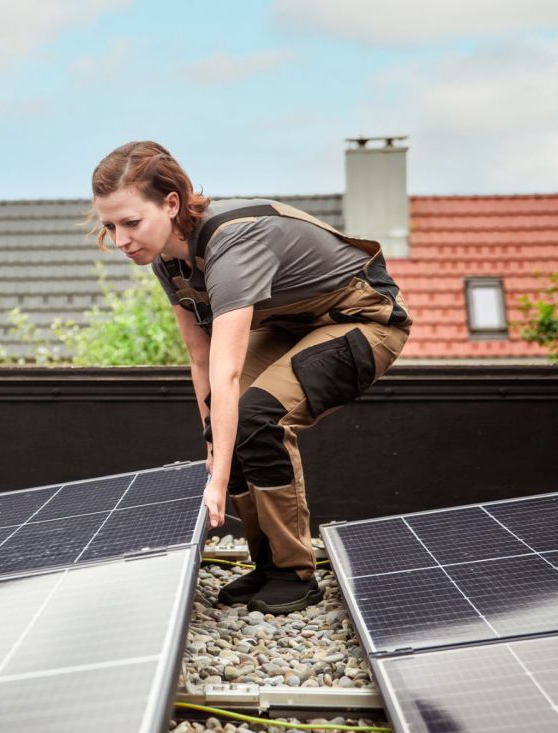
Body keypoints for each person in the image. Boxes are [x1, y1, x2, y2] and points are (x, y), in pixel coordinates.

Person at [91, 141, 412, 614]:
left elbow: (228, 369)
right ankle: (266, 566)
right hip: (291, 328)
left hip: (365, 321)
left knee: (257, 415)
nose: (121, 240)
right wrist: (212, 445)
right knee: (222, 424)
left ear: (171, 203)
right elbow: (201, 359)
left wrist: (217, 481)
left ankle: (295, 573)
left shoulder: (232, 242)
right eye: (110, 226)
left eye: (131, 223)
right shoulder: (169, 263)